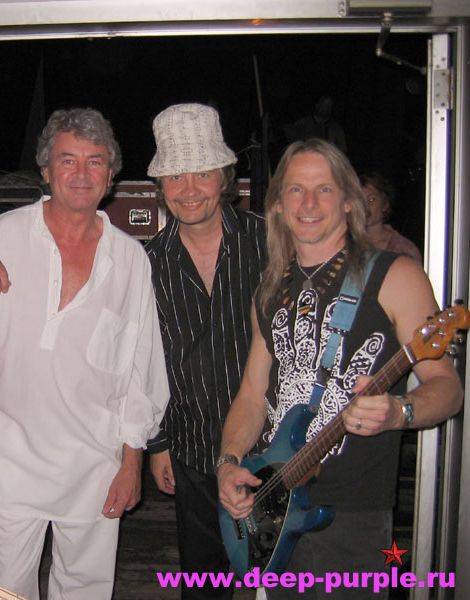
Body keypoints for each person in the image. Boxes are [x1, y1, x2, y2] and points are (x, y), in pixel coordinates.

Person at [217, 138, 463, 599]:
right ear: (277, 205)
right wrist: (229, 463)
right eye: (296, 189)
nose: (308, 203)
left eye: (324, 189)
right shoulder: (269, 289)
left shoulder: (395, 275)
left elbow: (447, 387)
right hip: (274, 507)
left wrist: (400, 411)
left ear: (349, 201)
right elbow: (251, 395)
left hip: (353, 519)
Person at [0, 108, 169, 599]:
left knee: (85, 590)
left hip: (96, 463)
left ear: (111, 176)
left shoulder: (130, 259)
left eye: (95, 161)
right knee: (7, 591)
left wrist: (131, 462)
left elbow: (140, 368)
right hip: (11, 455)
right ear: (46, 170)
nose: (81, 173)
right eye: (67, 160)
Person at [144, 103, 266, 599]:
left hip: (274, 449)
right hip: (192, 453)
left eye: (202, 173)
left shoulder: (270, 242)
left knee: (284, 582)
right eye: (175, 175)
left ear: (225, 178)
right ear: (161, 185)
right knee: (204, 587)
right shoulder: (146, 263)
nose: (189, 188)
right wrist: (157, 444)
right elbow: (144, 361)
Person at [360, 171, 422, 263]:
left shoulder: (403, 249)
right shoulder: (345, 244)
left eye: (371, 199)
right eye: (360, 200)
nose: (365, 206)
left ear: (385, 204)